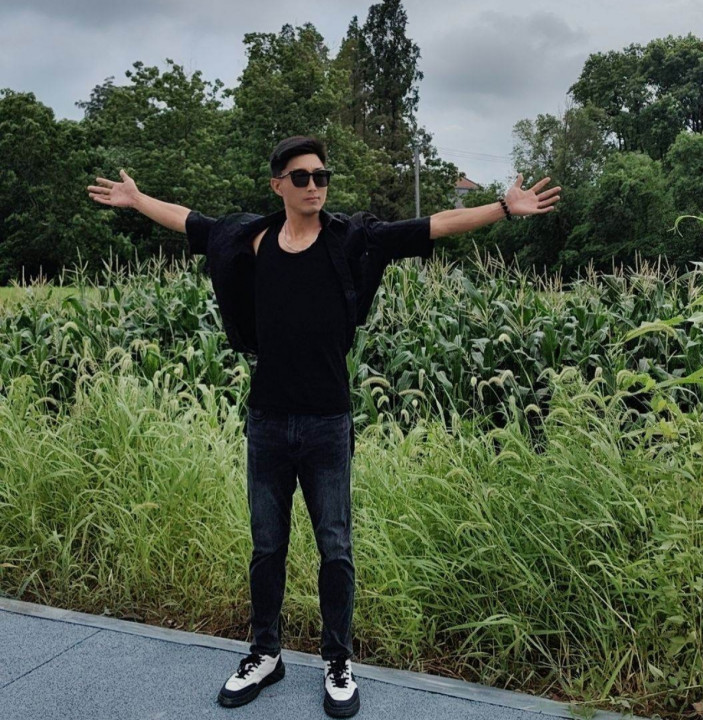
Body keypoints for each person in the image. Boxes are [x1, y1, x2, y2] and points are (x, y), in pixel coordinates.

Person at [87, 136, 560, 718]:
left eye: (322, 176)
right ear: (278, 185)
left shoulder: (349, 238)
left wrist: (504, 208)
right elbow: (191, 221)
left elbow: (430, 226)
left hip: (327, 423)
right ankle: (265, 654)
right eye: (302, 177)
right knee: (267, 547)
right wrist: (137, 200)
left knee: (335, 549)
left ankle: (338, 660)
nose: (315, 185)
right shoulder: (251, 238)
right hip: (267, 419)